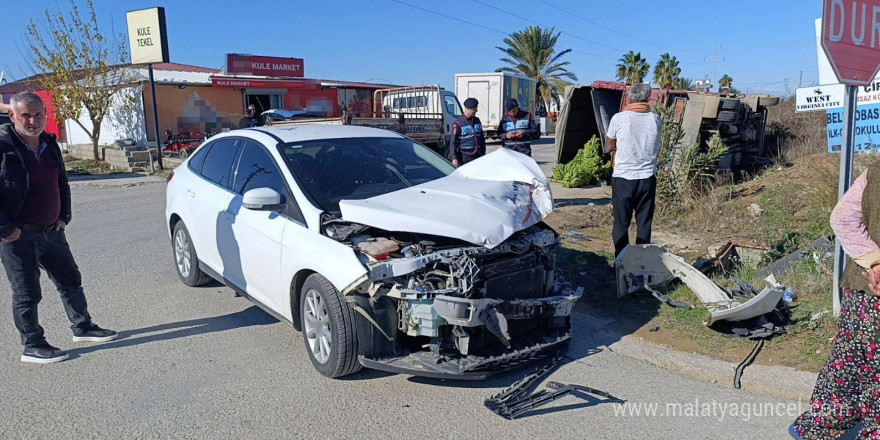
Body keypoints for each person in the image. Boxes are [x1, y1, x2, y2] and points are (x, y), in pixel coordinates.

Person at [0, 92, 117, 364]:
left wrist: (64, 214)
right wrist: (6, 229)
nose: (33, 120)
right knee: (27, 292)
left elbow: (61, 182)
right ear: (12, 115)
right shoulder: (3, 147)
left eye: (38, 114)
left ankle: (83, 327)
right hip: (17, 236)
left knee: (70, 280)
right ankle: (32, 345)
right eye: (26, 115)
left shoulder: (49, 143)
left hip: (51, 230)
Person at [790, 163, 880, 439]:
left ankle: (817, 428)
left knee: (849, 366)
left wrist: (873, 263)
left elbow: (842, 219)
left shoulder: (876, 171)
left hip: (862, 292)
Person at [605, 83, 661, 257]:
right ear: (647, 98)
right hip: (647, 178)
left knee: (621, 223)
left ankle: (622, 262)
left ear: (630, 97)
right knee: (644, 223)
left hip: (624, 177)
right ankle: (640, 262)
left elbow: (609, 146)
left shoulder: (619, 118)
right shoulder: (656, 119)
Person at [446, 97, 486, 167]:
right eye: (474, 109)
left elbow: (481, 139)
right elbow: (453, 142)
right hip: (465, 157)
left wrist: (483, 153)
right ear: (467, 108)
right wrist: (454, 158)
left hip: (478, 155)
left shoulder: (477, 121)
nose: (476, 110)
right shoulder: (458, 123)